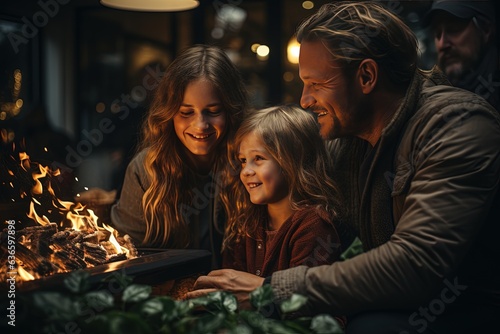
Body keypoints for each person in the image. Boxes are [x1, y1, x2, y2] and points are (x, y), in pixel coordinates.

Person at [187, 2, 500, 333]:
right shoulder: (347, 139)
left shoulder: (457, 125)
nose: (305, 100)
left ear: (366, 76)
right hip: (404, 303)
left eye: (316, 84)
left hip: (469, 308)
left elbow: (415, 266)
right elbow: (288, 179)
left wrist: (271, 291)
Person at [78, 44, 248, 269]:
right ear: (169, 113)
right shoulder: (146, 169)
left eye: (214, 111)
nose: (201, 125)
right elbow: (125, 256)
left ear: (232, 111)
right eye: (186, 112)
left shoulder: (250, 162)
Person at [221, 104, 351, 279]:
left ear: (294, 161)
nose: (245, 171)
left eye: (258, 158)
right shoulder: (249, 222)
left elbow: (298, 298)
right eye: (243, 160)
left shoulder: (314, 226)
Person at [423, 0, 499, 111]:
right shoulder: (430, 99)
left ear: (486, 29)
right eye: (437, 34)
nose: (441, 44)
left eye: (454, 29)